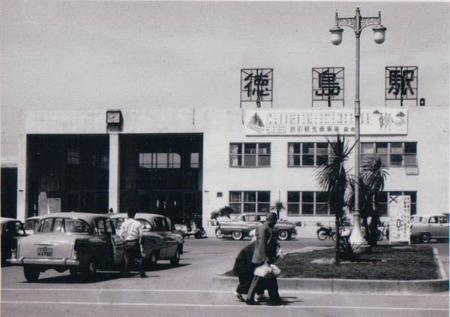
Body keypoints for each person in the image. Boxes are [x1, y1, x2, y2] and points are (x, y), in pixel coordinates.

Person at [246, 212, 285, 305]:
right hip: (262, 258)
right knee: (258, 278)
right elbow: (262, 245)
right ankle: (249, 298)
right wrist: (266, 259)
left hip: (262, 257)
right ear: (271, 219)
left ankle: (274, 298)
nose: (276, 222)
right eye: (275, 220)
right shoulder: (265, 229)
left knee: (271, 278)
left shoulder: (263, 227)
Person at [120, 210, 146, 278]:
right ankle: (141, 272)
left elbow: (121, 234)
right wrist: (140, 243)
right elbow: (141, 234)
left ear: (127, 215)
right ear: (134, 215)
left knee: (126, 257)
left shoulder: (124, 223)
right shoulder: (138, 223)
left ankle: (125, 272)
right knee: (139, 257)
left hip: (127, 242)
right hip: (135, 242)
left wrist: (124, 240)